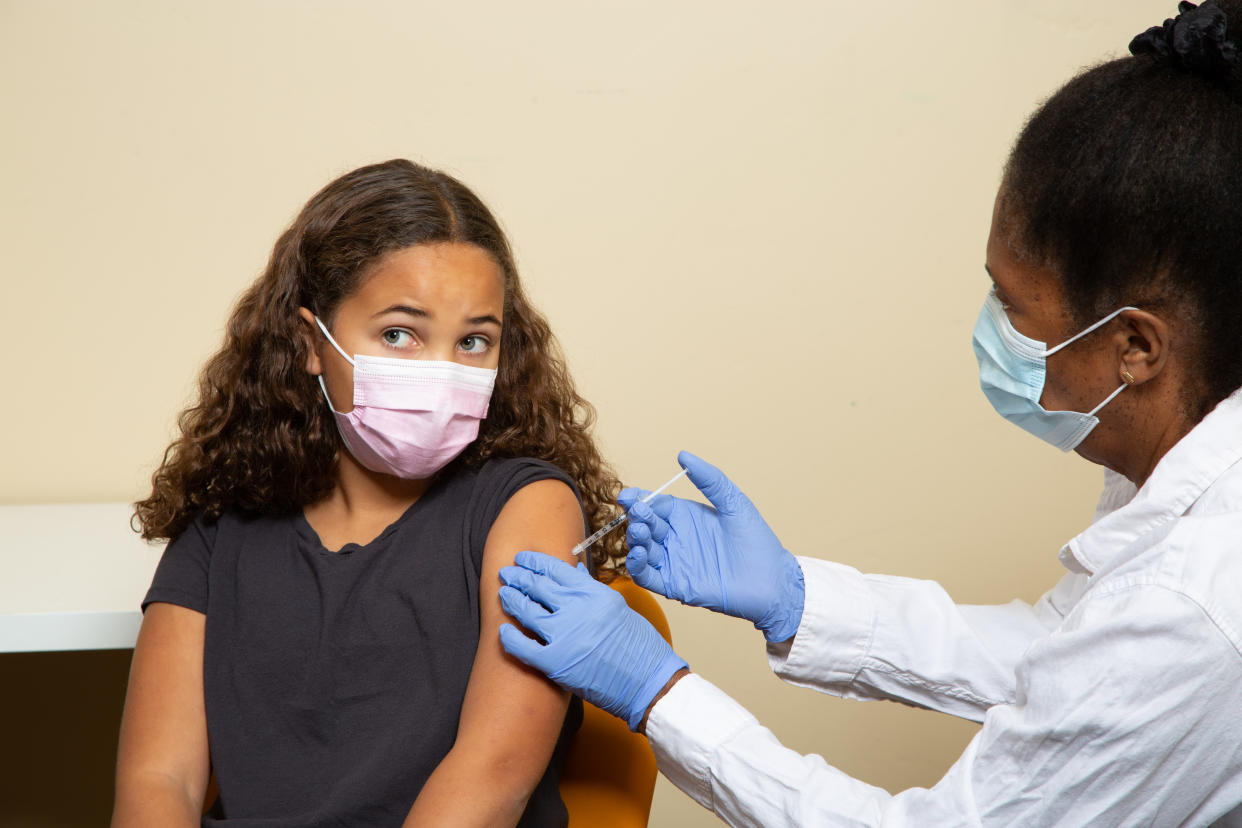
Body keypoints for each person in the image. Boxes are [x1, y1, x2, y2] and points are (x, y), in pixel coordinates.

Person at [496, 2, 1242, 824]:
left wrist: (658, 694)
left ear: (1135, 347)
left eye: (1013, 305)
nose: (992, 328)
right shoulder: (1186, 458)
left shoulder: (1195, 602)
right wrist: (796, 597)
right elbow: (1065, 658)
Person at [113, 159, 626, 827]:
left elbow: (492, 778)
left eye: (474, 341)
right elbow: (161, 779)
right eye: (398, 334)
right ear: (311, 344)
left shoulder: (527, 507)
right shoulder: (222, 524)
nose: (441, 372)